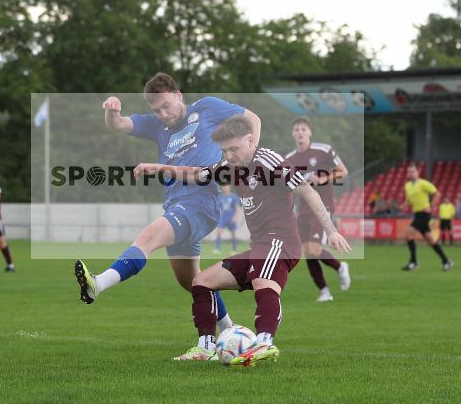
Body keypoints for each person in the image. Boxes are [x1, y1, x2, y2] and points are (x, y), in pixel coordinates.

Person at [134, 116, 351, 365]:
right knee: (202, 282)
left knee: (262, 281)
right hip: (259, 246)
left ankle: (264, 343)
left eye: (234, 149)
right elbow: (196, 174)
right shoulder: (229, 166)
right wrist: (158, 168)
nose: (229, 155)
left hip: (281, 243)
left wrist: (331, 230)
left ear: (251, 140)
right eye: (224, 150)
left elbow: (307, 191)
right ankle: (205, 347)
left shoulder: (269, 161)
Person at [75, 73, 262, 335]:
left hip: (200, 202)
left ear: (178, 95)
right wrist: (111, 108)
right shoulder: (154, 125)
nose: (163, 114)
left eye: (166, 106)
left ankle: (98, 284)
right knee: (193, 281)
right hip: (175, 205)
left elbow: (252, 118)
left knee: (147, 238)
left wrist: (251, 157)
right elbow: (117, 124)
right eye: (157, 110)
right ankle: (231, 332)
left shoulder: (206, 108)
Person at [285, 116, 350, 302]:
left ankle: (340, 267)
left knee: (313, 250)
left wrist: (323, 179)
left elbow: (342, 171)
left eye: (303, 129)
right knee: (307, 252)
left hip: (324, 206)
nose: (300, 132)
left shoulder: (324, 150)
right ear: (292, 134)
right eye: (296, 129)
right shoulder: (289, 159)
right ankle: (324, 292)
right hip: (303, 209)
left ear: (310, 132)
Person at [401, 163, 453, 271]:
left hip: (424, 215)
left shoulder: (423, 183)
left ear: (417, 172)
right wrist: (404, 205)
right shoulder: (407, 186)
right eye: (409, 171)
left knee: (407, 235)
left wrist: (430, 206)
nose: (411, 173)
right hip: (417, 214)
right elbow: (409, 200)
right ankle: (446, 261)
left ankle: (414, 262)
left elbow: (437, 194)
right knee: (430, 241)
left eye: (413, 171)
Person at [213, 185, 241, 254]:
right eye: (224, 187)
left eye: (227, 187)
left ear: (229, 188)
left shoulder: (233, 196)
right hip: (223, 218)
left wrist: (235, 217)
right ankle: (217, 249)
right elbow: (217, 208)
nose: (225, 188)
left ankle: (234, 250)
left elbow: (237, 208)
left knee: (233, 234)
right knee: (219, 232)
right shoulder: (220, 197)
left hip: (231, 218)